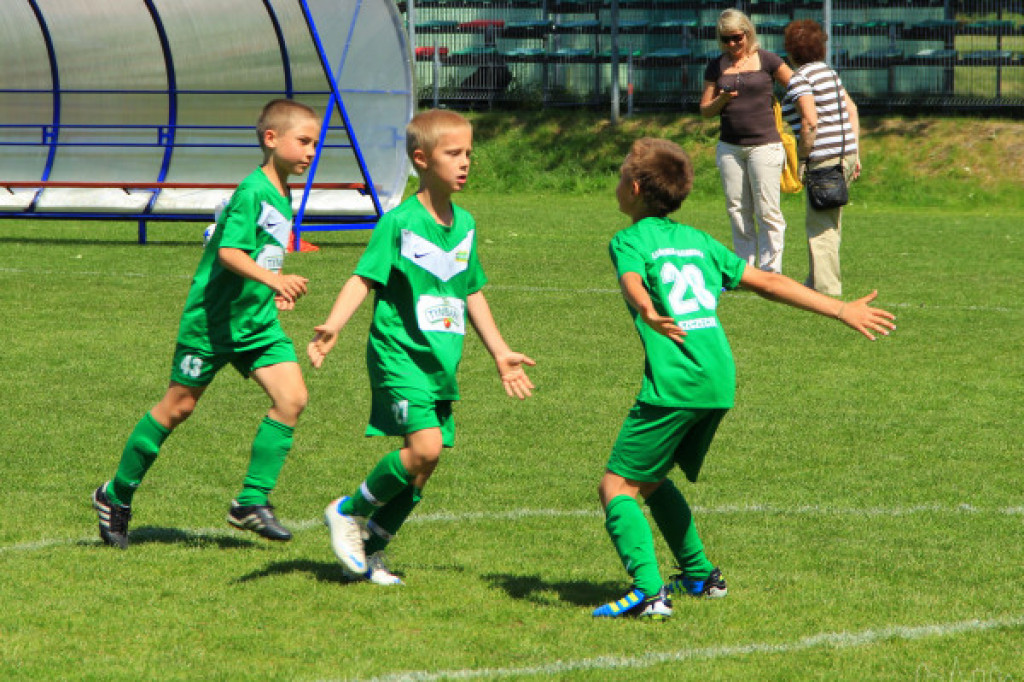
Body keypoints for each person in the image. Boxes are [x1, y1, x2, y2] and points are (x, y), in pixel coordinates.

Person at [592, 137, 895, 619]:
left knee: (616, 485)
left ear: (631, 187)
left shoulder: (628, 240)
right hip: (716, 377)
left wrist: (646, 306)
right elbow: (770, 282)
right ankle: (699, 576)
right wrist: (839, 307)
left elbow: (631, 279)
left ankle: (648, 592)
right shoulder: (698, 241)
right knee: (648, 480)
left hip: (677, 380)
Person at [307, 109, 535, 585]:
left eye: (469, 152)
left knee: (421, 471)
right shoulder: (399, 222)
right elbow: (364, 277)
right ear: (421, 159)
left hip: (440, 361)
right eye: (454, 153)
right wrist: (332, 325)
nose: (466, 162)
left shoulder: (466, 224)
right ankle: (347, 510)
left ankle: (370, 552)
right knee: (425, 450)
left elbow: (472, 291)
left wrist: (500, 352)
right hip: (399, 355)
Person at [91, 99, 320, 548]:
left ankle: (250, 502)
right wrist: (275, 279)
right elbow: (229, 254)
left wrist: (272, 290)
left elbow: (261, 253)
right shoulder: (252, 191)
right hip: (213, 325)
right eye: (304, 141)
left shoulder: (283, 191)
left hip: (256, 324)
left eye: (317, 143)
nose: (312, 151)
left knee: (292, 398)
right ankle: (114, 494)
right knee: (178, 407)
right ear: (271, 139)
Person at [700, 9, 793, 274]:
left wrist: (796, 119)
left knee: (767, 209)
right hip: (730, 147)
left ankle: (771, 268)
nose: (732, 44)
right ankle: (745, 269)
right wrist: (723, 99)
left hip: (764, 145)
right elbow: (705, 109)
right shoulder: (716, 66)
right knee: (737, 209)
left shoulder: (767, 60)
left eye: (736, 38)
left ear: (748, 33)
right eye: (725, 39)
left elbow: (797, 88)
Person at [782, 19, 861, 296]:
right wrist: (855, 152)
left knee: (820, 226)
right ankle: (816, 280)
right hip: (845, 155)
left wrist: (802, 158)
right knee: (830, 221)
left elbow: (810, 122)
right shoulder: (829, 73)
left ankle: (826, 289)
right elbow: (851, 110)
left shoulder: (800, 79)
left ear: (791, 50)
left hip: (822, 159)